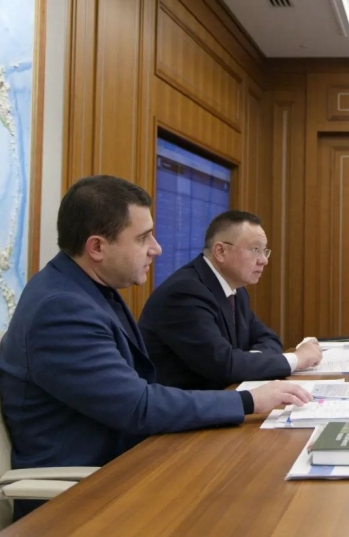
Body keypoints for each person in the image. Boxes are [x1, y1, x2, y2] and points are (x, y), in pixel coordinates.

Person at [0, 176, 312, 519]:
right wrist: (249, 400)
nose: (157, 248)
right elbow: (137, 405)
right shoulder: (61, 309)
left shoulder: (88, 290)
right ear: (97, 247)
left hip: (131, 459)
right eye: (143, 238)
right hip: (82, 495)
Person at [139, 211, 322, 390]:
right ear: (221, 251)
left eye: (264, 251)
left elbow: (268, 338)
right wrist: (297, 359)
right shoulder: (185, 293)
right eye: (255, 250)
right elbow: (223, 365)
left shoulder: (236, 290)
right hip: (185, 406)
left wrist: (248, 362)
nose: (263, 260)